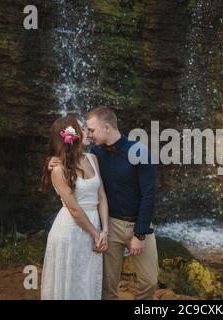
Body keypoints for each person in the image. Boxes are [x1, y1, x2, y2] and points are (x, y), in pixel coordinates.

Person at [48, 106, 159, 300]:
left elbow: (149, 195)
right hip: (111, 225)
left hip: (140, 225)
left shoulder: (139, 151)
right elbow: (70, 154)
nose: (89, 135)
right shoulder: (95, 154)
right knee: (107, 287)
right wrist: (52, 159)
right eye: (86, 131)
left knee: (149, 282)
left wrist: (139, 234)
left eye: (91, 130)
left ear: (106, 127)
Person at [41, 116, 109, 300]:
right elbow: (74, 209)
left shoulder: (93, 158)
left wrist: (105, 231)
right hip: (70, 229)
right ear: (73, 135)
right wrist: (96, 234)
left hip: (95, 225)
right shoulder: (58, 169)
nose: (87, 131)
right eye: (82, 128)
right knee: (69, 282)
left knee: (87, 279)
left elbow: (101, 195)